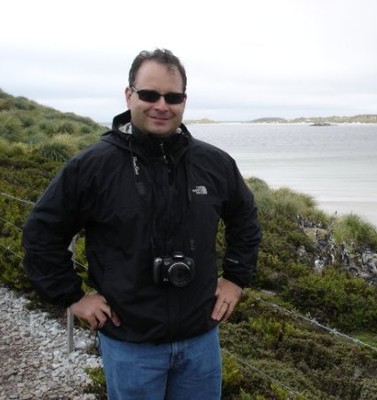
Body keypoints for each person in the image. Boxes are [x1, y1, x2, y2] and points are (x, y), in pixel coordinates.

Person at [22, 48, 261, 399]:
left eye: (173, 97)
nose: (162, 105)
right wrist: (72, 296)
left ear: (184, 101)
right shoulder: (92, 167)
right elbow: (41, 234)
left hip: (200, 340)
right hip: (130, 345)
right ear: (129, 95)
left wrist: (236, 278)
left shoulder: (215, 163)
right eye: (150, 94)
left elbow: (245, 220)